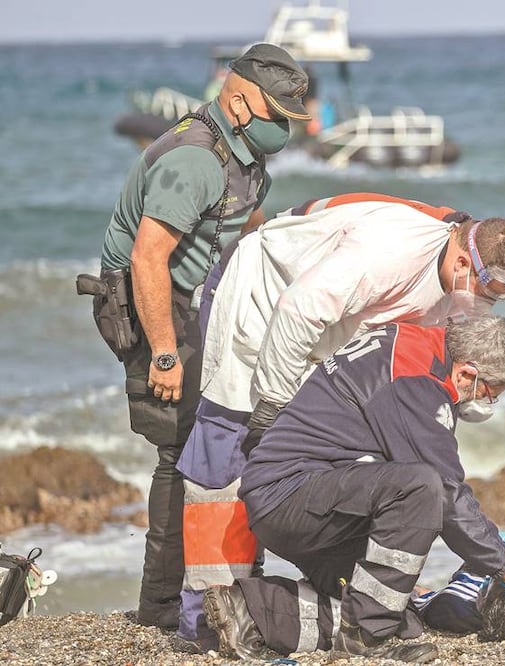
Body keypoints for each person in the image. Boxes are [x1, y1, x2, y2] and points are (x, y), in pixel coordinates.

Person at [172, 192, 505, 648]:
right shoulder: (390, 254)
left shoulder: (453, 292)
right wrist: (272, 408)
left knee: (397, 610)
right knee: (226, 452)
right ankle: (198, 622)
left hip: (320, 353)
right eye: (487, 293)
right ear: (464, 261)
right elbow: (298, 309)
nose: (485, 305)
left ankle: (249, 607)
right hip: (263, 298)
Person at [86, 43, 310, 630]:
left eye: (290, 117)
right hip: (147, 301)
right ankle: (160, 605)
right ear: (238, 103)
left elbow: (246, 222)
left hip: (198, 294)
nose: (284, 128)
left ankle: (225, 577)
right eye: (276, 115)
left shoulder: (246, 154)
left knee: (227, 427)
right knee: (180, 445)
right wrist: (164, 354)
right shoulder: (194, 161)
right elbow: (147, 259)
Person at [199, 315, 505, 663]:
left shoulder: (410, 342)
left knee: (402, 622)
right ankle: (364, 639)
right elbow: (446, 492)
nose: (486, 401)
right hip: (291, 496)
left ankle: (249, 609)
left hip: (305, 493)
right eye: (490, 393)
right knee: (421, 488)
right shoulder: (417, 382)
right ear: (468, 373)